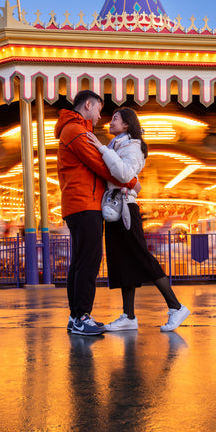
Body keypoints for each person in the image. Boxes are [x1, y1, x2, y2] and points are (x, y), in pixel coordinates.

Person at [86, 107, 190, 332]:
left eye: (115, 119)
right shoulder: (117, 145)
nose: (110, 122)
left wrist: (102, 149)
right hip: (114, 206)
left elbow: (124, 175)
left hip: (126, 208)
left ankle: (176, 306)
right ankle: (129, 315)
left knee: (141, 257)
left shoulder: (132, 146)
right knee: (122, 261)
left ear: (126, 124)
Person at [55, 90, 139, 336]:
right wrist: (132, 182)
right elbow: (100, 164)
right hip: (84, 203)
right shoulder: (76, 131)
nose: (101, 116)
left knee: (81, 262)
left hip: (81, 202)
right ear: (88, 105)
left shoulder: (77, 130)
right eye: (99, 110)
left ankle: (76, 316)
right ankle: (81, 316)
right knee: (89, 261)